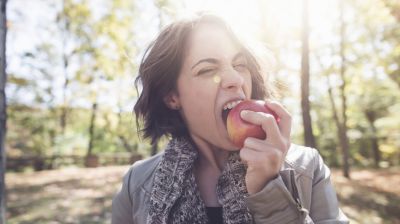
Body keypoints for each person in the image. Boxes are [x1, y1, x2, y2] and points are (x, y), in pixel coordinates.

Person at [112, 13, 349, 224]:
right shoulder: (137, 183)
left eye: (239, 64)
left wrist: (270, 190)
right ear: (172, 96)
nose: (235, 78)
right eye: (207, 70)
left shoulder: (307, 168)